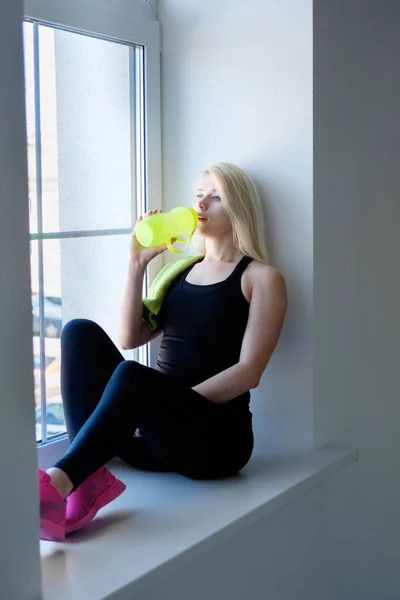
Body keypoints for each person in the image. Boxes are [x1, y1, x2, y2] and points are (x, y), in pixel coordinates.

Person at [38, 162, 287, 542]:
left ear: (239, 207)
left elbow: (249, 371)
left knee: (134, 377)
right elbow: (128, 337)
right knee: (78, 332)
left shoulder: (262, 278)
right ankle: (86, 476)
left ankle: (58, 482)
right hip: (154, 440)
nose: (201, 204)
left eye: (215, 196)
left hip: (214, 442)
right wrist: (137, 264)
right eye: (198, 196)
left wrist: (160, 409)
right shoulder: (179, 273)